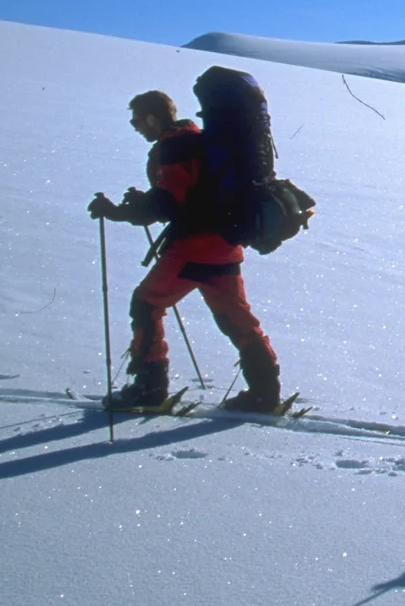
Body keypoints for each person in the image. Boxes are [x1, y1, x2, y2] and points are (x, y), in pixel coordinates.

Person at [88, 89, 283, 413]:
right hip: (224, 247)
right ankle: (265, 392)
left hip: (192, 249)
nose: (136, 127)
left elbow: (169, 202)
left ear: (153, 117)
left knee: (147, 303)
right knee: (238, 320)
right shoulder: (200, 139)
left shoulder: (174, 146)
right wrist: (144, 200)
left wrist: (120, 211)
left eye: (137, 120)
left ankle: (149, 388)